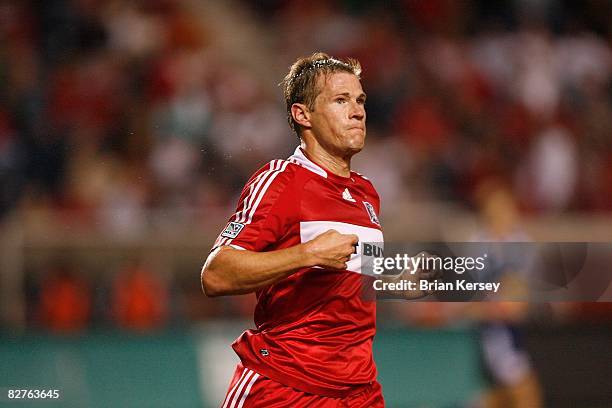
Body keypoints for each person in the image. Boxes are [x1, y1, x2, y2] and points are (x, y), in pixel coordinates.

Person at [201, 52, 433, 407]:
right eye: (341, 101)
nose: (357, 111)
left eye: (360, 100)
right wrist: (306, 254)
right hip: (285, 386)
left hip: (358, 391)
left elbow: (351, 268)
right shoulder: (281, 181)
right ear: (302, 114)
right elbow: (215, 275)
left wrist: (395, 275)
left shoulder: (365, 192)